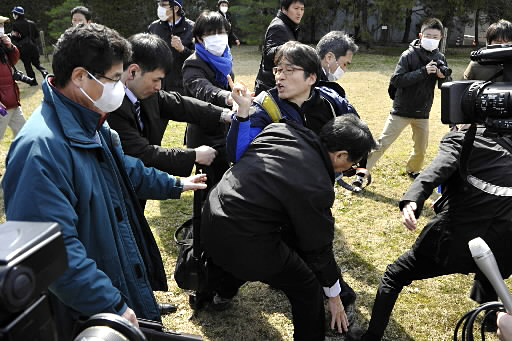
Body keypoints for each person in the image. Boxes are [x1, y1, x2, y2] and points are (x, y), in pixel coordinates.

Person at [1, 23, 207, 341]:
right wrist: (112, 306)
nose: (119, 88)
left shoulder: (92, 121)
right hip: (92, 316)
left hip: (118, 288)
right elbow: (57, 256)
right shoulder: (39, 151)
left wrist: (175, 184)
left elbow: (127, 170)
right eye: (113, 79)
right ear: (81, 77)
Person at [201, 115, 376, 341]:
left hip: (213, 215)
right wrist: (334, 295)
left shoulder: (281, 130)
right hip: (244, 240)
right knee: (306, 286)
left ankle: (220, 293)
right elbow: (318, 247)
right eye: (352, 162)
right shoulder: (317, 186)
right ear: (341, 155)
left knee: (270, 247)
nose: (351, 167)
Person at [355, 125, 512, 340]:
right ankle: (491, 315)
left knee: (394, 275)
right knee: (488, 272)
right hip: (503, 243)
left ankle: (372, 336)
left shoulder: (463, 139)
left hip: (453, 243)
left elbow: (436, 169)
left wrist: (412, 199)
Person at [107, 33, 232, 187]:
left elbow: (180, 105)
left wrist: (226, 114)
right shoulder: (111, 106)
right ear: (133, 72)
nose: (159, 87)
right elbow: (142, 154)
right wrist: (194, 155)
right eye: (156, 80)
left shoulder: (143, 92)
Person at [227, 40, 358, 163]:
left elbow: (356, 134)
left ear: (311, 78)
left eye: (289, 70)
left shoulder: (329, 100)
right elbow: (238, 155)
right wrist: (243, 112)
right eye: (278, 70)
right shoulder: (266, 107)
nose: (280, 77)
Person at [366, 18, 451, 178]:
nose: (431, 39)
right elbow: (397, 80)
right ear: (420, 35)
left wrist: (442, 77)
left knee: (421, 147)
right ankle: (362, 171)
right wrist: (423, 71)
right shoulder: (408, 55)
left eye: (435, 37)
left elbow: (444, 85)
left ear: (440, 38)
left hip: (423, 112)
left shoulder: (440, 57)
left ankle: (413, 170)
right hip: (401, 110)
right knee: (382, 143)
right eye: (428, 35)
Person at [182, 11, 234, 189]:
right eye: (211, 34)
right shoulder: (193, 63)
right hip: (205, 135)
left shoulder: (225, 61)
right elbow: (203, 89)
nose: (218, 38)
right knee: (209, 186)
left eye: (222, 32)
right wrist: (227, 97)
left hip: (225, 131)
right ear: (199, 38)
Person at [254, 0, 304, 95]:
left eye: (302, 9)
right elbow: (269, 52)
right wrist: (291, 49)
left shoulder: (289, 26)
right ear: (284, 9)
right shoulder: (278, 26)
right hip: (270, 87)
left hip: (278, 85)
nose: (299, 13)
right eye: (296, 8)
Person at [148, 0, 194, 94]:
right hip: (157, 86)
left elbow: (199, 58)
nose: (160, 8)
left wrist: (183, 49)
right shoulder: (154, 27)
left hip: (182, 87)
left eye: (163, 5)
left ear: (176, 8)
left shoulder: (192, 28)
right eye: (159, 4)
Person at [0, 15, 25, 143]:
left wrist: (10, 47)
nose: (1, 28)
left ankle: (21, 161)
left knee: (24, 133)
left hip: (12, 101)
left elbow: (14, 61)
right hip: (1, 105)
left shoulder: (2, 45)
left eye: (2, 25)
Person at [10, 6, 48, 85]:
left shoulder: (15, 25)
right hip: (33, 47)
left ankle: (33, 82)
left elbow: (15, 38)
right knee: (37, 64)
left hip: (23, 49)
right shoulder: (31, 23)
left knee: (27, 65)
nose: (13, 15)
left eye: (14, 13)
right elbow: (37, 35)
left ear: (17, 14)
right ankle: (47, 76)